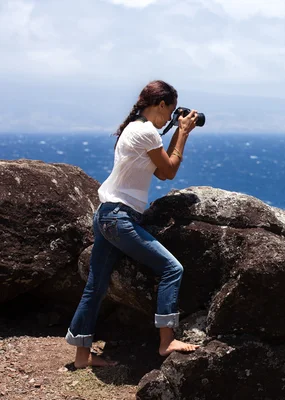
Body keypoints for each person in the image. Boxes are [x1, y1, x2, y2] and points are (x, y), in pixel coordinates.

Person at [65, 80, 200, 368]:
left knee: (96, 286)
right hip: (119, 218)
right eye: (172, 111)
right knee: (171, 269)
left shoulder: (135, 127)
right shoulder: (146, 132)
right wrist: (184, 133)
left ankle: (81, 357)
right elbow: (170, 171)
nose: (172, 117)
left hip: (106, 215)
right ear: (161, 105)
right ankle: (166, 341)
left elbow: (161, 173)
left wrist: (176, 130)